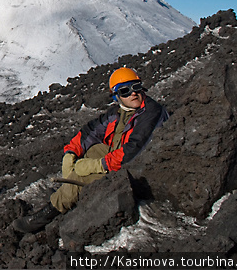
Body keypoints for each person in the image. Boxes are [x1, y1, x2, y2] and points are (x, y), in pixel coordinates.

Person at [12, 67, 169, 233]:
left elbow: (134, 150)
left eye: (136, 87)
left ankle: (47, 213)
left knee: (82, 172)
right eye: (125, 91)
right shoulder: (119, 112)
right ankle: (70, 190)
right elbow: (90, 132)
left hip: (138, 168)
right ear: (117, 96)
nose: (133, 94)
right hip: (120, 158)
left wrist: (99, 165)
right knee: (94, 150)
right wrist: (70, 153)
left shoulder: (150, 112)